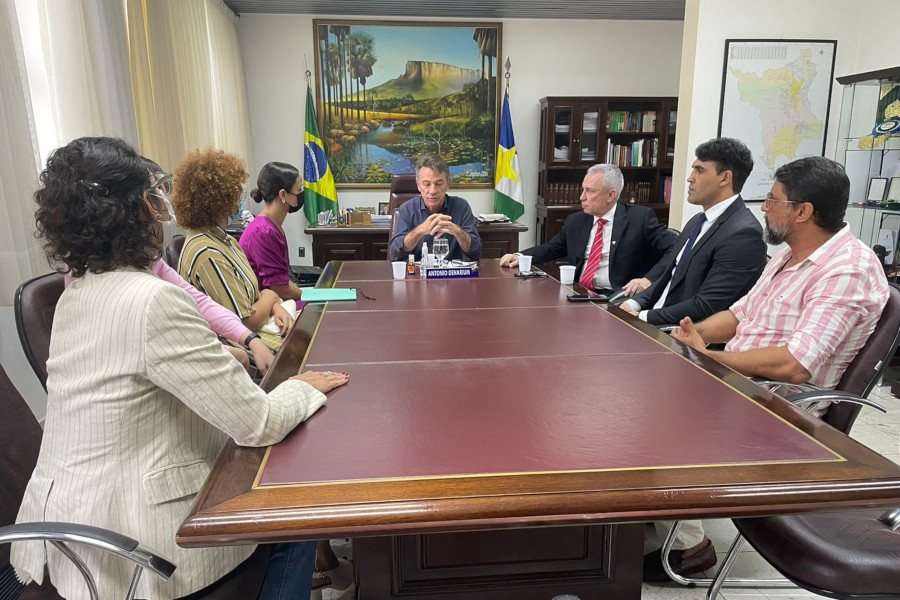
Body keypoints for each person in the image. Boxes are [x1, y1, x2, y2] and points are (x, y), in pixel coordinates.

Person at [11, 136, 349, 600]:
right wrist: (304, 386)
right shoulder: (150, 299)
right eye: (153, 196)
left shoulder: (77, 292)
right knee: (294, 507)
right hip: (138, 552)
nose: (161, 205)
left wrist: (232, 352)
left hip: (76, 536)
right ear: (135, 210)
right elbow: (259, 421)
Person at [643, 156, 891, 583]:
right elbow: (739, 315)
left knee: (647, 412)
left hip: (783, 409)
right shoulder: (788, 255)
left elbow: (795, 366)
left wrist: (709, 358)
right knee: (632, 385)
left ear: (803, 211)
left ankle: (690, 548)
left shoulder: (845, 270)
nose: (763, 207)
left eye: (772, 200)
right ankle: (656, 506)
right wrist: (689, 336)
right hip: (742, 385)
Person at [62, 159, 275, 374]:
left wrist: (249, 338)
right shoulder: (108, 281)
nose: (161, 210)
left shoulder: (147, 259)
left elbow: (196, 300)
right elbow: (160, 342)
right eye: (155, 199)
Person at [621, 137, 767, 324]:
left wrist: (642, 317)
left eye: (700, 170)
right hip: (654, 318)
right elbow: (668, 277)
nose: (690, 178)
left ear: (725, 178)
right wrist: (634, 304)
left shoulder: (744, 234)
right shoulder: (696, 221)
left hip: (679, 333)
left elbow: (706, 305)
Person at [174, 148, 292, 353]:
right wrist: (272, 297)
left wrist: (275, 306)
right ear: (219, 199)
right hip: (242, 349)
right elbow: (244, 322)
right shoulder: (206, 252)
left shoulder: (226, 239)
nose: (238, 198)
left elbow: (254, 295)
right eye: (235, 191)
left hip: (260, 331)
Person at [500, 164, 678, 296]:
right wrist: (519, 256)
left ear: (611, 195)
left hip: (617, 297)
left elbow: (676, 249)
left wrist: (648, 280)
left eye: (590, 191)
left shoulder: (640, 219)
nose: (581, 197)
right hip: (578, 293)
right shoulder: (576, 221)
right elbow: (552, 248)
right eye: (583, 190)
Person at [389, 154, 482, 262]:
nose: (433, 191)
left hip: (451, 275)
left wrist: (457, 231)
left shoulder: (461, 207)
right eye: (426, 184)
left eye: (439, 184)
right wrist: (420, 230)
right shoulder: (407, 209)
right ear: (418, 185)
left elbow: (476, 252)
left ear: (448, 184)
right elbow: (395, 254)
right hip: (417, 275)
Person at [239, 161, 306, 302]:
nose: (301, 195)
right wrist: (313, 295)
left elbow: (283, 280)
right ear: (283, 194)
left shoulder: (272, 226)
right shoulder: (263, 232)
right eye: (299, 190)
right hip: (267, 305)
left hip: (277, 299)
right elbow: (280, 288)